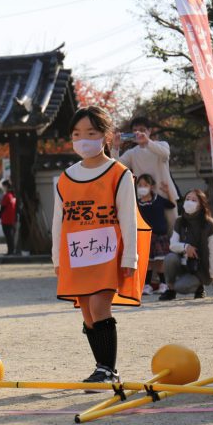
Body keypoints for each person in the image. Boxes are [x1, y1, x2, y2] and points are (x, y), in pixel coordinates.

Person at [52, 106, 149, 385]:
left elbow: (129, 217)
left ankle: (108, 369)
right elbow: (58, 222)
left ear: (106, 136)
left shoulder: (119, 173)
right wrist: (56, 259)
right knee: (86, 310)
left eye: (91, 133)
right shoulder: (66, 177)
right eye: (77, 134)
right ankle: (101, 368)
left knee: (99, 306)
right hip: (76, 253)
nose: (83, 139)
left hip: (107, 251)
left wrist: (130, 258)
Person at [118, 115, 179, 231]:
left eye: (142, 130)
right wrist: (115, 147)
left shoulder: (162, 145)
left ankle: (175, 249)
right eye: (135, 131)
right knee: (146, 231)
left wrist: (147, 142)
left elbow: (165, 154)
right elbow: (117, 166)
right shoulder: (131, 153)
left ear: (149, 131)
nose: (138, 133)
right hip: (144, 199)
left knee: (173, 229)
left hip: (166, 194)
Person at [159, 190, 213, 301]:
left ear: (201, 204)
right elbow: (172, 245)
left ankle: (199, 287)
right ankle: (170, 289)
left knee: (181, 287)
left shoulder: (209, 223)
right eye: (187, 199)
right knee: (169, 258)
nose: (189, 202)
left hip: (200, 267)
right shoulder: (179, 221)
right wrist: (186, 247)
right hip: (182, 262)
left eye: (193, 200)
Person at [135, 173, 176, 295]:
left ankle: (163, 284)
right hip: (144, 236)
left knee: (160, 261)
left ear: (151, 186)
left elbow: (172, 205)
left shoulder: (158, 199)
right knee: (147, 262)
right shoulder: (136, 203)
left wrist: (168, 191)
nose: (142, 187)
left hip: (159, 235)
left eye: (145, 185)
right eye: (140, 185)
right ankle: (147, 285)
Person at [0, 179, 17, 255]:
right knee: (11, 236)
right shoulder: (13, 196)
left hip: (6, 219)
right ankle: (12, 250)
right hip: (12, 219)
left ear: (6, 186)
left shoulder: (6, 196)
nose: (3, 188)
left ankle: (10, 251)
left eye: (3, 186)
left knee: (8, 236)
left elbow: (2, 208)